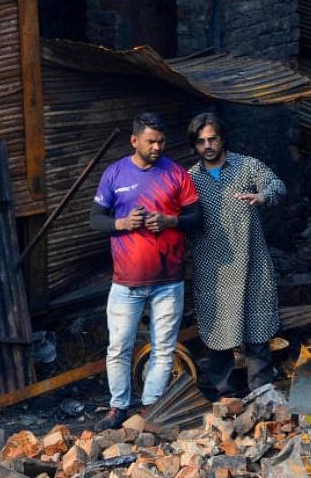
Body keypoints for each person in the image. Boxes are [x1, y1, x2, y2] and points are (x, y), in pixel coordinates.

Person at [88, 112, 202, 430]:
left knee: (164, 346)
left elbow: (197, 218)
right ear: (134, 140)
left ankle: (152, 406)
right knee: (119, 346)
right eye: (151, 141)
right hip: (126, 281)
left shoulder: (176, 173)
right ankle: (117, 408)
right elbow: (95, 218)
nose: (157, 146)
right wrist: (121, 223)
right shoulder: (115, 174)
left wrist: (169, 221)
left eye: (161, 141)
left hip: (169, 280)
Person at [186, 112, 285, 397]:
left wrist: (263, 196)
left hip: (252, 261)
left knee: (257, 329)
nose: (208, 145)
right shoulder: (190, 179)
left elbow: (277, 185)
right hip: (212, 268)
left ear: (222, 138)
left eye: (212, 138)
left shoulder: (246, 166)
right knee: (219, 333)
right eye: (201, 141)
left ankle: (262, 392)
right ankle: (225, 396)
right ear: (195, 145)